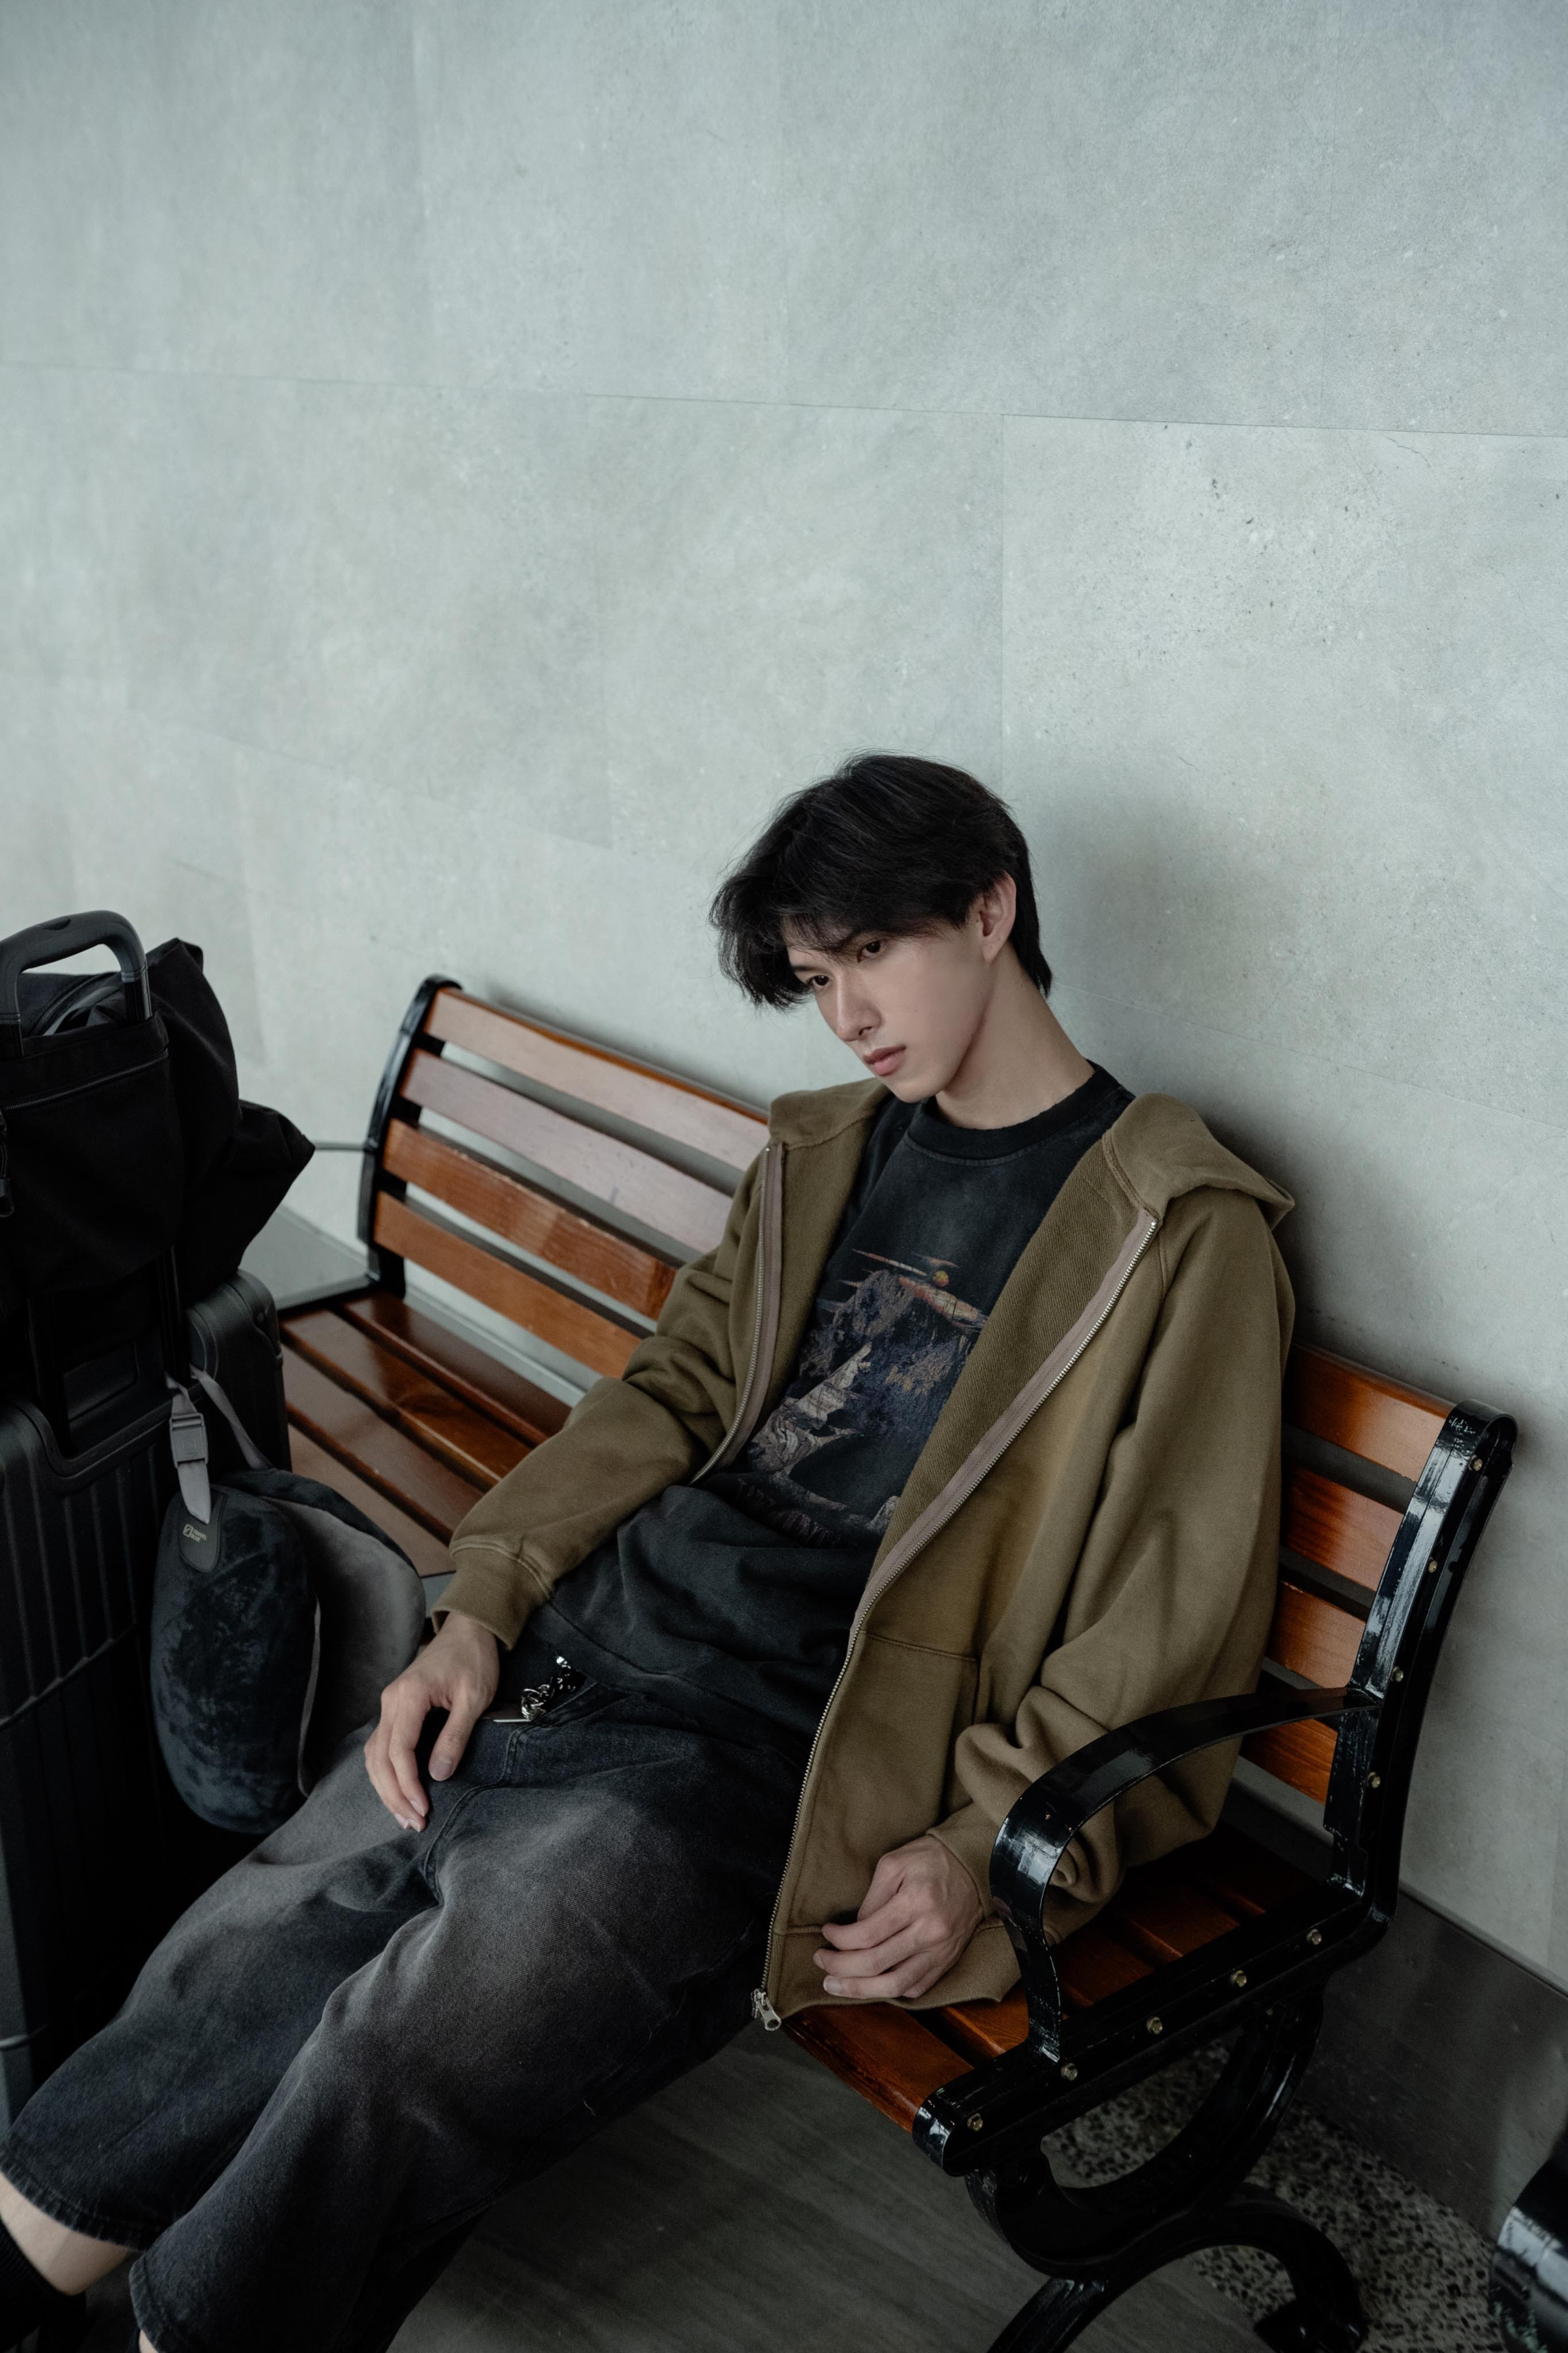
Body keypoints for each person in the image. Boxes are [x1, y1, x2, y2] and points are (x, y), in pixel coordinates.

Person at [0, 755, 1293, 2353]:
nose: (847, 1017)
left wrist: (981, 1837)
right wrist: (478, 1610)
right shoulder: (828, 1149)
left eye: (869, 955)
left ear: (989, 908)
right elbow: (672, 1392)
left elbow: (1166, 1611)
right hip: (577, 1649)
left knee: (410, 2048)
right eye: (816, 980)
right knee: (241, 1954)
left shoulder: (1173, 1225)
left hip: (765, 1752)